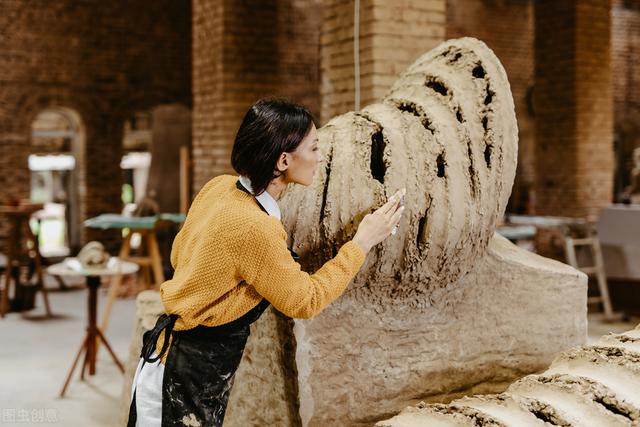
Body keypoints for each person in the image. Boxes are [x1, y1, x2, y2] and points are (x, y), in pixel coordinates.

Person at [127, 98, 405, 427]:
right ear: (284, 160)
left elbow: (179, 253)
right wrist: (363, 241)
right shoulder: (255, 227)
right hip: (181, 376)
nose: (319, 157)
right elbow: (306, 300)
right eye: (314, 148)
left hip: (171, 358)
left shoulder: (219, 187)